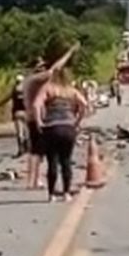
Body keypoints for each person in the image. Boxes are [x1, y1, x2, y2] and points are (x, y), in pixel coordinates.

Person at [22, 44, 79, 190]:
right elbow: (55, 69)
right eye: (40, 66)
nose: (43, 69)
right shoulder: (34, 80)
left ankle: (34, 179)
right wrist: (70, 53)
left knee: (37, 151)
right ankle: (32, 181)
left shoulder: (29, 81)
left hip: (32, 117)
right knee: (37, 151)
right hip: (36, 119)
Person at [34, 68, 88, 202]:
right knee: (66, 161)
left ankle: (51, 194)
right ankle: (66, 193)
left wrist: (39, 122)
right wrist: (77, 122)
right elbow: (84, 105)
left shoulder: (48, 88)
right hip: (68, 127)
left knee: (52, 161)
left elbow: (36, 105)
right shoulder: (71, 91)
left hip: (51, 127)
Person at [0, 74, 28, 157]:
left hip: (17, 113)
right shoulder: (27, 91)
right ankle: (27, 147)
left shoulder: (14, 91)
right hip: (26, 112)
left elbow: (6, 99)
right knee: (26, 131)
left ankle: (20, 149)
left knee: (19, 132)